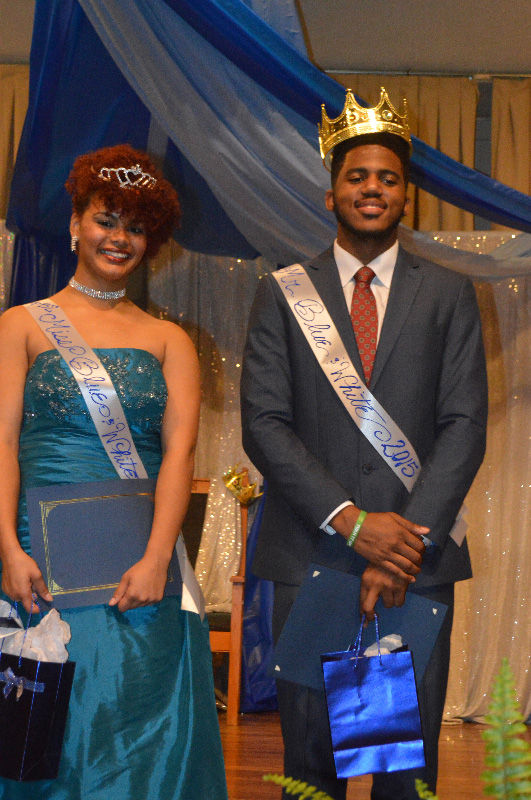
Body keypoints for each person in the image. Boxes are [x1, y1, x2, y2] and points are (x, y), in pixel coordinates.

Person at [241, 88, 488, 800]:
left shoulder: (447, 294)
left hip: (415, 562)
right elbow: (263, 422)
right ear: (330, 194)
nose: (371, 188)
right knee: (311, 766)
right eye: (356, 176)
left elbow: (463, 425)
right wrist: (352, 525)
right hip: (312, 556)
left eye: (386, 177)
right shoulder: (284, 293)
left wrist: (402, 542)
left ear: (405, 195)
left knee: (397, 772)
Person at [0, 144, 228, 799]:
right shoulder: (21, 326)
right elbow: (3, 443)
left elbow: (179, 457)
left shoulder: (170, 342)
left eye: (134, 226)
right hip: (37, 561)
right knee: (46, 730)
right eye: (106, 219)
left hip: (141, 565)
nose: (118, 237)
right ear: (75, 223)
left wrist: (160, 557)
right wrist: (8, 549)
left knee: (136, 725)